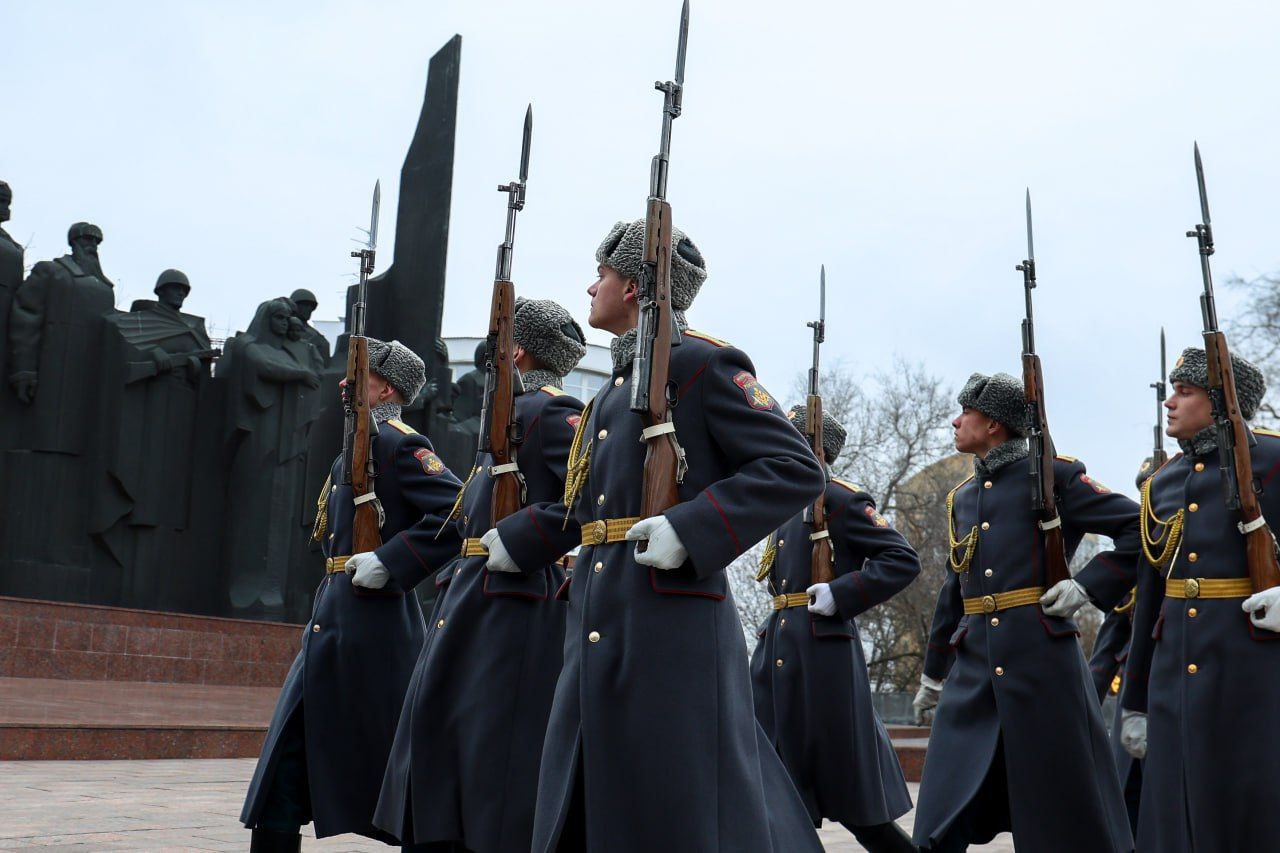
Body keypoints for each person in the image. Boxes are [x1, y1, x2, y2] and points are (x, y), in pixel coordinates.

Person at [525, 219, 826, 852]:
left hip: (668, 621)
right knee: (593, 797)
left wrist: (690, 528)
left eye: (602, 275)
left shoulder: (703, 363)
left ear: (634, 286)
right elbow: (587, 507)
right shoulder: (611, 391)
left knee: (674, 805)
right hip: (600, 614)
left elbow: (795, 467)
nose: (591, 288)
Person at [374, 297, 587, 852]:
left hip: (511, 606)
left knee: (493, 764)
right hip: (471, 599)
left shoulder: (549, 412)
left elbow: (593, 493)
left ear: (516, 352)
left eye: (498, 345)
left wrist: (522, 540)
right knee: (445, 747)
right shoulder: (510, 417)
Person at [241, 338, 463, 852]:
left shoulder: (398, 442)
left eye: (358, 377)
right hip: (332, 621)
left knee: (394, 772)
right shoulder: (357, 446)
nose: (343, 383)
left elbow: (458, 510)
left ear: (386, 390)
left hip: (374, 629)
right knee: (282, 771)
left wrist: (391, 561)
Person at [911, 372, 1140, 852]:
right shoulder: (963, 497)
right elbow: (954, 590)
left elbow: (1139, 530)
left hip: (1042, 664)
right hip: (973, 667)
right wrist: (934, 673)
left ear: (994, 424)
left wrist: (1087, 587)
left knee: (1061, 811)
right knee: (939, 812)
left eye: (966, 413)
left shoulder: (1058, 477)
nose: (955, 422)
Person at [1119, 347, 1280, 852]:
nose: (1170, 402)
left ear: (1220, 401)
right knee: (1174, 814)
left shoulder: (1274, 461)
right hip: (1174, 679)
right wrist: (1136, 702)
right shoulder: (1162, 482)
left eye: (1184, 393)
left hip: (1252, 675)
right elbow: (1149, 599)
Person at [750, 405, 920, 852]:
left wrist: (841, 593)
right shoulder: (785, 501)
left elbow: (901, 559)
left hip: (821, 658)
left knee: (853, 801)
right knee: (774, 790)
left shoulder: (842, 499)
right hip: (778, 654)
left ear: (815, 447)